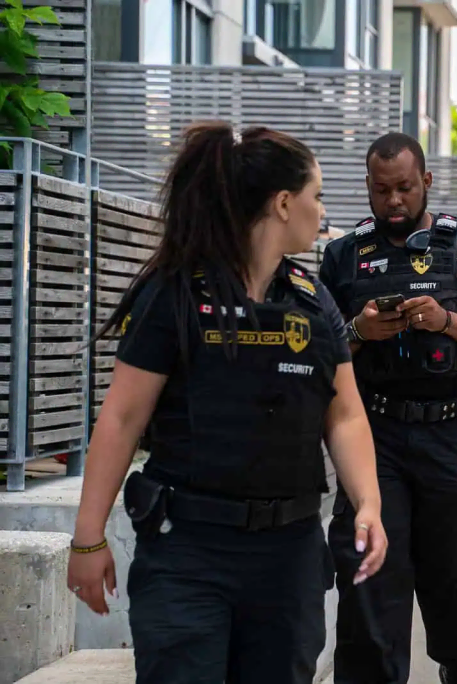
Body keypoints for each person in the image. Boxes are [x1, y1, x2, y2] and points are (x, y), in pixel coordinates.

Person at [65, 121, 388, 684]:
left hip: (287, 556)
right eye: (316, 196)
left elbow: (345, 413)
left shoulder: (315, 305)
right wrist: (89, 537)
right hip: (188, 552)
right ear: (284, 204)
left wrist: (369, 503)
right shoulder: (175, 294)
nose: (323, 210)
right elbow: (122, 416)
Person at [319, 132, 457, 684]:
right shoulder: (341, 256)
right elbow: (316, 349)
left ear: (426, 182)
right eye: (382, 190)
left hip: (452, 431)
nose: (393, 201)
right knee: (370, 581)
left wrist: (447, 321)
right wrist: (358, 330)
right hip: (374, 435)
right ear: (367, 185)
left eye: (405, 188)